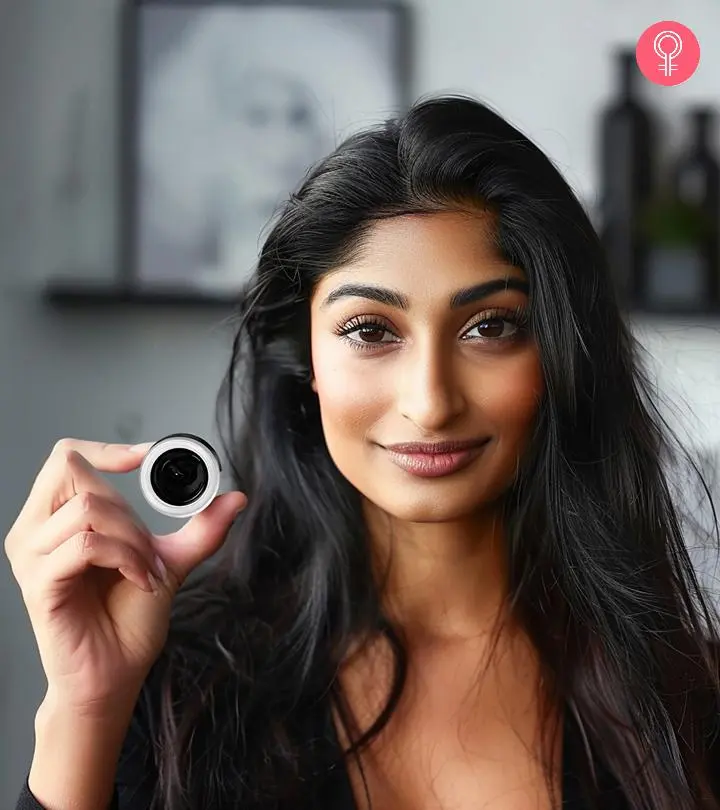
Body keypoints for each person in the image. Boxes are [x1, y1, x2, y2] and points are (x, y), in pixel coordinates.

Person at [7, 95, 720, 810]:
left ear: (563, 355)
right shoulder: (177, 690)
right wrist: (85, 708)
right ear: (307, 361)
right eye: (371, 331)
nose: (431, 402)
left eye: (490, 326)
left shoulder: (689, 698)